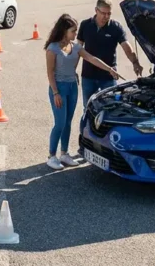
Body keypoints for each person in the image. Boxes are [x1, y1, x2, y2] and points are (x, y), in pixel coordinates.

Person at [44, 13, 123, 170]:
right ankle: (51, 156)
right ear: (64, 30)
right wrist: (55, 92)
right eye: (73, 31)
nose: (75, 34)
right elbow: (50, 72)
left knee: (67, 122)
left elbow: (92, 59)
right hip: (58, 88)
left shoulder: (76, 47)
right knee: (59, 123)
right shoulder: (52, 48)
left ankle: (64, 153)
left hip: (72, 87)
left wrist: (109, 69)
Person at [76, 0, 143, 107]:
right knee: (88, 108)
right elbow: (78, 49)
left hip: (108, 77)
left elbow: (127, 48)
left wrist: (135, 62)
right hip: (88, 76)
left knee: (111, 108)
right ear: (96, 10)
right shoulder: (85, 25)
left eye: (109, 14)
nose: (106, 17)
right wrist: (73, 69)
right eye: (103, 13)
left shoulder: (115, 27)